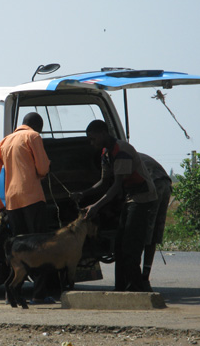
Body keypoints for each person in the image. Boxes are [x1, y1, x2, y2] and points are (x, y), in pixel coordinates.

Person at [71, 120, 156, 292]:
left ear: (103, 134)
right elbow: (103, 182)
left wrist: (95, 206)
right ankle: (121, 289)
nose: (91, 142)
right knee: (120, 247)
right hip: (130, 198)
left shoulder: (121, 151)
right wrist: (84, 194)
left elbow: (116, 186)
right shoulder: (106, 153)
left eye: (93, 138)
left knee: (131, 248)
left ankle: (137, 291)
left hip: (142, 198)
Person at [0, 112, 53, 303]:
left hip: (12, 203)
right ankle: (39, 295)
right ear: (38, 126)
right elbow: (43, 169)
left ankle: (13, 294)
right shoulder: (33, 136)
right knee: (39, 247)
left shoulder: (5, 141)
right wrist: (45, 168)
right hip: (33, 200)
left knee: (18, 250)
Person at [139, 153, 172, 292]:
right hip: (165, 183)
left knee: (145, 232)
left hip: (154, 184)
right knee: (153, 235)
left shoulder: (119, 155)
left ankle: (141, 279)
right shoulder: (130, 152)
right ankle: (145, 276)